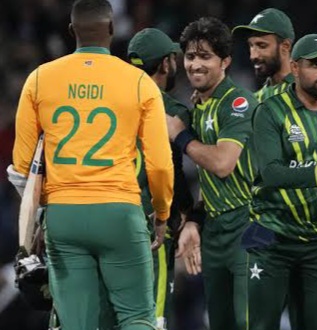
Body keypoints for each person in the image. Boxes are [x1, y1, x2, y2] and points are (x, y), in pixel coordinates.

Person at [9, 0, 174, 329]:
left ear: (71, 31)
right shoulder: (140, 83)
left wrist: (41, 216)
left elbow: (22, 165)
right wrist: (162, 214)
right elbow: (158, 165)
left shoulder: (39, 79)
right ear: (113, 29)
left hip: (65, 216)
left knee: (76, 323)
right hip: (121, 212)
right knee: (137, 318)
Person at [245, 33, 317, 330]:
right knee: (261, 324)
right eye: (316, 65)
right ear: (294, 68)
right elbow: (269, 173)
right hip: (269, 235)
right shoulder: (269, 111)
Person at [165, 17, 258, 330]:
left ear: (226, 62)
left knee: (249, 321)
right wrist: (194, 220)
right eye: (190, 56)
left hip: (251, 225)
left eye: (205, 56)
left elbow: (222, 163)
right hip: (217, 228)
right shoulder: (201, 105)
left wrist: (180, 136)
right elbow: (214, 180)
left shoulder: (239, 102)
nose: (195, 65)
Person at [126, 27, 194, 330]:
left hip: (109, 218)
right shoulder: (173, 111)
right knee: (150, 318)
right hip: (154, 225)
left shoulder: (109, 105)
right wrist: (183, 213)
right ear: (166, 63)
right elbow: (171, 169)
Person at [232, 8, 317, 104]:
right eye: (251, 46)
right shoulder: (255, 101)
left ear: (285, 46)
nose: (253, 56)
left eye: (262, 46)